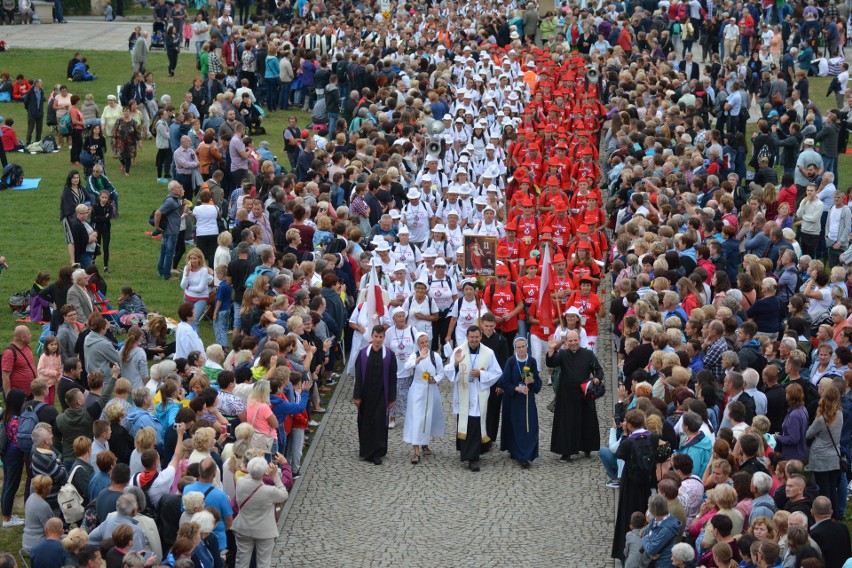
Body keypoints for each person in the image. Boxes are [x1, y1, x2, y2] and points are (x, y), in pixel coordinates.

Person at [444, 325, 502, 472]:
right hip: (464, 393)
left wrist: (481, 375)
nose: (474, 340)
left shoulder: (488, 353)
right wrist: (456, 363)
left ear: (480, 336)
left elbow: (496, 372)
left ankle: (473, 458)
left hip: (478, 394)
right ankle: (466, 452)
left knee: (475, 424)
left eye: (477, 337)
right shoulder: (459, 351)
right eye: (472, 337)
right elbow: (448, 371)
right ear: (467, 337)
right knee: (465, 423)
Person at [547, 330, 604, 462]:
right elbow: (551, 363)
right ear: (566, 341)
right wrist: (551, 349)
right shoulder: (562, 353)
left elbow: (598, 370)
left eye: (575, 340)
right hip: (566, 395)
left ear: (579, 339)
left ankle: (586, 446)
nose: (573, 343)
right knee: (567, 424)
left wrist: (597, 378)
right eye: (570, 341)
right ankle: (566, 452)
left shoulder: (588, 354)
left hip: (584, 394)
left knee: (586, 421)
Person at [231, 456, 289, 568]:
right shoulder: (269, 491)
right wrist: (275, 476)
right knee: (264, 562)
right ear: (264, 473)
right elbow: (284, 494)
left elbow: (250, 476)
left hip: (243, 528)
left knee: (241, 561)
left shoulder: (240, 483)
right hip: (265, 531)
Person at [353, 325, 396, 465]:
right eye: (376, 336)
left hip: (381, 395)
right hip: (366, 395)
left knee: (378, 422)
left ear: (384, 338)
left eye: (381, 337)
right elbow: (358, 375)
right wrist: (357, 395)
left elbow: (392, 378)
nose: (378, 340)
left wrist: (392, 397)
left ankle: (377, 451)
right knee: (365, 421)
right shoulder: (363, 354)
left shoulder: (389, 355)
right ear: (372, 336)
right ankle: (366, 451)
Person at [497, 336, 541, 469]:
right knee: (515, 426)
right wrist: (517, 388)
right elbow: (505, 381)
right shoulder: (511, 361)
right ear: (515, 349)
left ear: (527, 347)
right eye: (519, 347)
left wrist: (532, 381)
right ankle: (518, 452)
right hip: (513, 400)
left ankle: (527, 454)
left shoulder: (532, 361)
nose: (521, 350)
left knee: (529, 426)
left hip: (527, 399)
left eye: (523, 346)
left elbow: (538, 382)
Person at [401, 332, 445, 464]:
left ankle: (425, 443)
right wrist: (419, 358)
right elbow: (407, 366)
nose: (425, 344)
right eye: (422, 342)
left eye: (427, 342)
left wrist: (435, 379)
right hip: (417, 391)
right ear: (418, 344)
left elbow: (441, 372)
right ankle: (416, 451)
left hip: (431, 390)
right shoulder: (414, 356)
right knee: (417, 419)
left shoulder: (435, 356)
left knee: (429, 417)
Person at [153, 180, 186, 280]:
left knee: (164, 252)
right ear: (172, 190)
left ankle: (161, 271)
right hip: (171, 231)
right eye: (178, 188)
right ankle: (166, 275)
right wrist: (157, 227)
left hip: (169, 230)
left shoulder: (175, 199)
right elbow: (158, 213)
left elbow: (178, 213)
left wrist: (183, 202)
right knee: (169, 253)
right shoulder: (170, 201)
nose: (180, 189)